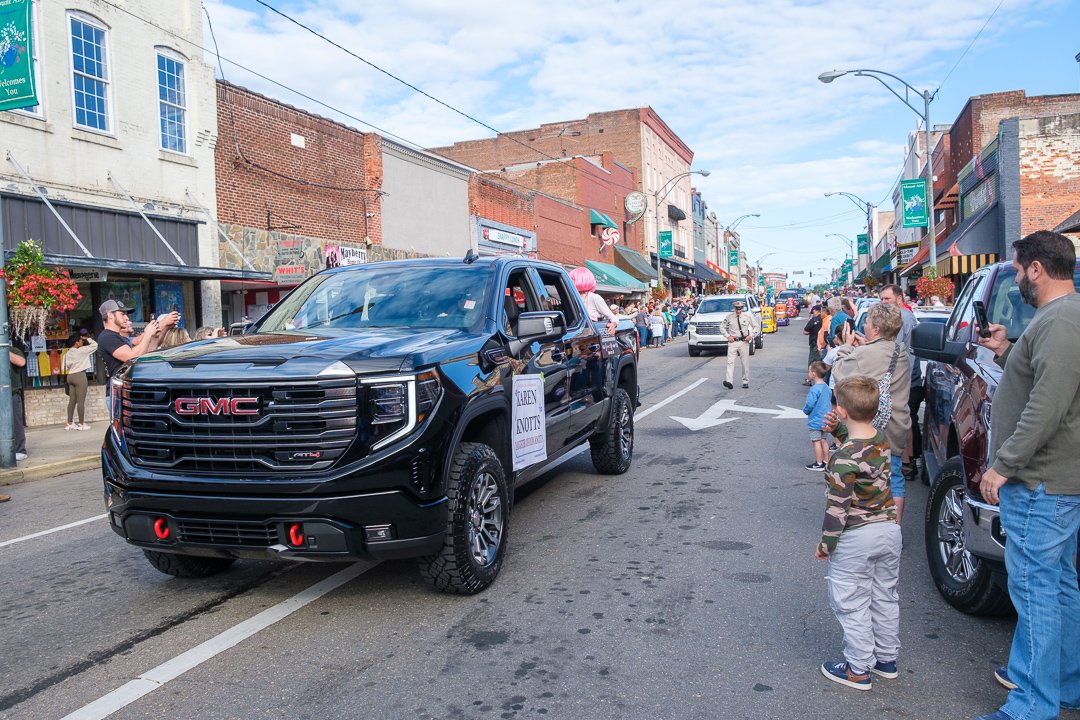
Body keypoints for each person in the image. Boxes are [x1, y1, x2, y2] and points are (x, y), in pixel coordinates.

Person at [973, 230, 1080, 720]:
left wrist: (1003, 464)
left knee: (1035, 590)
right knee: (1058, 585)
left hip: (1039, 482)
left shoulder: (1060, 321)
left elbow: (1047, 405)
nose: (1017, 278)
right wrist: (1005, 350)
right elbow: (1044, 380)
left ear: (1037, 268)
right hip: (1054, 481)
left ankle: (1031, 706)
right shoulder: (1056, 321)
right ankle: (1063, 686)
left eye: (1018, 270)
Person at [817, 375, 902, 692]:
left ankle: (858, 668)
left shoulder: (840, 458)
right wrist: (839, 430)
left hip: (857, 535)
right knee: (884, 596)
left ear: (841, 409)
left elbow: (837, 508)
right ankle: (885, 660)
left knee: (851, 602)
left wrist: (826, 544)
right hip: (889, 531)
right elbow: (861, 448)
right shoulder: (880, 438)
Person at [831, 303, 911, 523]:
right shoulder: (899, 350)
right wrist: (864, 346)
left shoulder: (864, 353)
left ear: (875, 329)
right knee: (894, 477)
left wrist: (847, 347)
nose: (863, 325)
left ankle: (864, 521)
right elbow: (880, 359)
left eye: (866, 322)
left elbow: (839, 373)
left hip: (871, 424)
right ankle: (895, 528)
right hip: (897, 423)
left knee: (862, 474)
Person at [879, 284, 923, 482]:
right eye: (881, 299)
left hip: (904, 379)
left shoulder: (902, 318)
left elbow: (892, 350)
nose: (883, 302)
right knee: (906, 418)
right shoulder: (906, 317)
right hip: (907, 377)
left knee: (901, 420)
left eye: (886, 299)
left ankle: (906, 462)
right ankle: (908, 461)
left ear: (899, 298)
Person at [97, 300, 163, 413]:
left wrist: (154, 337)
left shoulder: (119, 338)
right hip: (120, 394)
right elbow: (131, 357)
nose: (127, 318)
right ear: (110, 315)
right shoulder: (107, 337)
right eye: (122, 314)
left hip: (130, 392)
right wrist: (147, 334)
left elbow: (144, 357)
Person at [62, 333, 97, 431]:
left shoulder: (67, 353)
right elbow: (95, 345)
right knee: (81, 401)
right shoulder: (81, 351)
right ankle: (81, 424)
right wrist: (88, 338)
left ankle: (69, 423)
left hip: (70, 376)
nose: (82, 342)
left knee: (72, 401)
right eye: (81, 341)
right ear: (76, 342)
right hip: (80, 375)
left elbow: (63, 367)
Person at [568, 267, 618, 336]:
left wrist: (613, 324)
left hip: (591, 335)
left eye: (573, 279)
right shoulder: (571, 297)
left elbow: (612, 316)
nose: (570, 281)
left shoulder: (594, 297)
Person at [803, 361, 831, 471]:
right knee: (824, 440)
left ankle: (819, 463)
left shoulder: (814, 389)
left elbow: (810, 404)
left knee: (816, 441)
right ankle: (826, 461)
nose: (808, 373)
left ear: (814, 373)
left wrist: (806, 410)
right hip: (826, 419)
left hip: (816, 419)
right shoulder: (826, 387)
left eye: (809, 371)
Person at [721, 301, 756, 389]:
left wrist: (751, 335)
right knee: (730, 362)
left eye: (740, 309)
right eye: (737, 309)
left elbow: (756, 326)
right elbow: (722, 327)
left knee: (745, 363)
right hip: (733, 342)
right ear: (734, 309)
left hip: (743, 342)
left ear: (742, 309)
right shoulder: (729, 317)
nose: (738, 311)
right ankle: (729, 382)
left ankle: (745, 381)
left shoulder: (747, 317)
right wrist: (728, 336)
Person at [803, 304, 824, 386]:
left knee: (812, 363)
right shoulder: (825, 320)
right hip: (823, 344)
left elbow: (805, 331)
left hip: (814, 344)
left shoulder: (814, 320)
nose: (813, 313)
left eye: (814, 311)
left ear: (817, 311)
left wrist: (812, 332)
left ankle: (809, 379)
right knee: (821, 362)